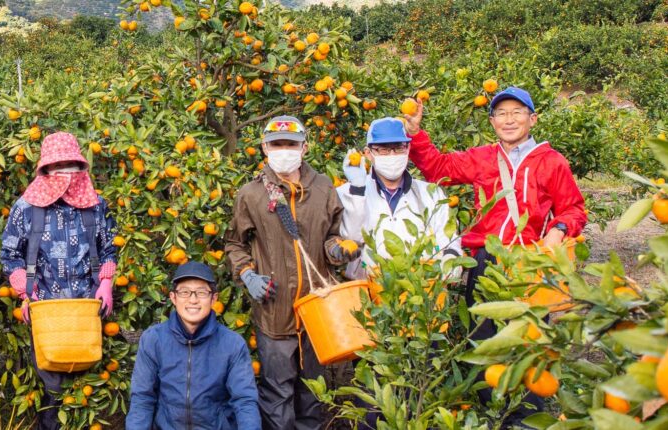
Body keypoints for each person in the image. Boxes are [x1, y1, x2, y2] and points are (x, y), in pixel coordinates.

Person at [404, 86, 587, 423]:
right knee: (486, 343)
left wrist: (558, 229)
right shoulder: (483, 158)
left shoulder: (551, 161)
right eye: (501, 113)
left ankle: (527, 418)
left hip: (530, 266)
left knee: (531, 345)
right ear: (491, 121)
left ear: (533, 119)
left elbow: (574, 209)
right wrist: (416, 135)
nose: (509, 119)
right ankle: (493, 415)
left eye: (517, 112)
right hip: (487, 264)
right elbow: (438, 168)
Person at [225, 116, 358, 430]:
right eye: (277, 144)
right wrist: (247, 274)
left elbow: (332, 235)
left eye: (291, 144)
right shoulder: (252, 194)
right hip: (275, 311)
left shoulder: (324, 187)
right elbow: (234, 243)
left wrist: (338, 249)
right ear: (264, 148)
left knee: (313, 392)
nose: (284, 150)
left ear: (304, 147)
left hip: (319, 311)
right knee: (277, 394)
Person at [0, 131, 117, 430]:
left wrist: (106, 283)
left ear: (81, 167)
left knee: (86, 383)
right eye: (57, 166)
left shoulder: (95, 205)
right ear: (46, 169)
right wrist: (27, 293)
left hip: (87, 309)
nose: (65, 174)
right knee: (52, 383)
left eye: (71, 166)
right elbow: (10, 255)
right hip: (47, 310)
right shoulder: (27, 208)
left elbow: (109, 248)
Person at [127, 262, 261, 430]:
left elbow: (244, 400)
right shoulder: (153, 340)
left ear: (214, 298)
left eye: (201, 292)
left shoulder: (232, 344)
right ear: (173, 298)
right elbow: (142, 398)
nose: (193, 299)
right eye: (184, 292)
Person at [336, 117, 461, 280]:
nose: (392, 155)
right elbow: (350, 241)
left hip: (423, 289)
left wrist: (451, 262)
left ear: (408, 149)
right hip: (367, 292)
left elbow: (449, 237)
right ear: (368, 153)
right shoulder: (348, 192)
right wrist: (357, 192)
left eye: (399, 148)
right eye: (384, 149)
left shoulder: (430, 193)